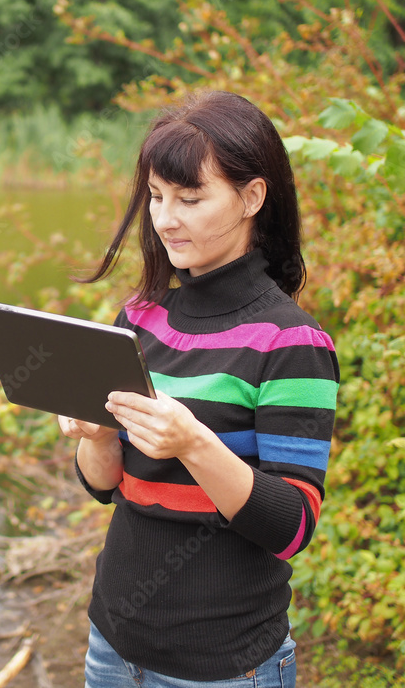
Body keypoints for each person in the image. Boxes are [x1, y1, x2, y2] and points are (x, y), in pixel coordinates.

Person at [58, 90, 339, 687]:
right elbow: (104, 485)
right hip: (113, 644)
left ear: (251, 198)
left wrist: (194, 443)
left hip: (224, 666)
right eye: (156, 197)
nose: (164, 219)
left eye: (190, 198)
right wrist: (98, 434)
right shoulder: (140, 318)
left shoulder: (291, 341)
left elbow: (293, 527)